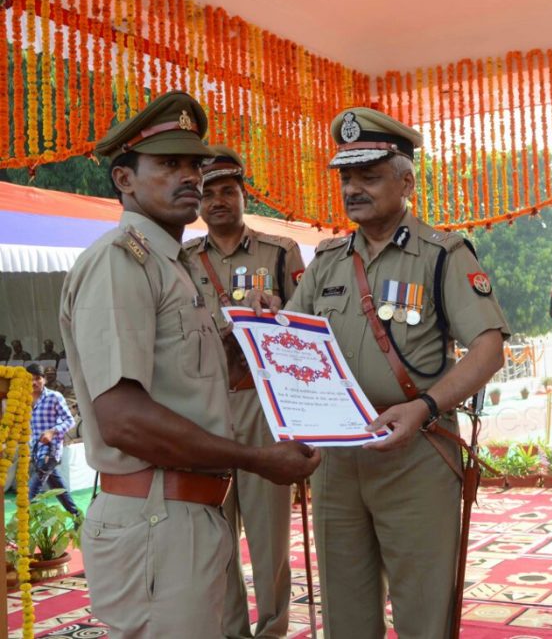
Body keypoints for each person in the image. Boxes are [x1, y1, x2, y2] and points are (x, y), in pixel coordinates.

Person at [59, 90, 320, 638]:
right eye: (168, 164)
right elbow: (124, 418)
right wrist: (254, 458)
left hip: (185, 514)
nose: (190, 178)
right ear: (124, 179)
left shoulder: (171, 265)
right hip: (156, 515)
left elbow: (200, 380)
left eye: (194, 165)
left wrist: (259, 339)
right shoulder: (120, 260)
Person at [265, 107, 509, 638]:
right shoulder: (328, 261)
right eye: (346, 177)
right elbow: (292, 339)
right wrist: (267, 317)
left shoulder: (441, 255)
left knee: (423, 613)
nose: (353, 188)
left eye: (369, 175)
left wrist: (424, 407)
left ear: (406, 180)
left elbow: (489, 348)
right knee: (345, 617)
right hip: (337, 459)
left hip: (416, 453)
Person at [184, 145, 305, 639]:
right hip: (204, 407)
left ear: (242, 194)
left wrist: (276, 312)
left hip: (261, 404)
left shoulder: (279, 253)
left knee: (268, 532)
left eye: (227, 191)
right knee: (215, 533)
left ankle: (273, 628)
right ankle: (231, 631)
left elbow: (307, 328)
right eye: (207, 192)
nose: (217, 201)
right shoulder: (183, 258)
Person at [25, 362, 80, 518]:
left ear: (44, 380)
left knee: (31, 491)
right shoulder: (24, 400)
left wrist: (52, 431)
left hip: (51, 451)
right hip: (35, 451)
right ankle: (77, 516)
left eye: (37, 378)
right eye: (30, 379)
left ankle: (26, 529)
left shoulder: (55, 397)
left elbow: (69, 420)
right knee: (58, 488)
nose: (34, 382)